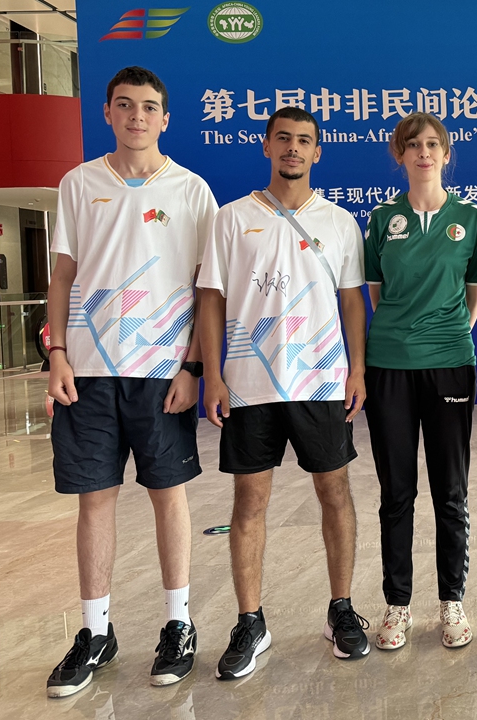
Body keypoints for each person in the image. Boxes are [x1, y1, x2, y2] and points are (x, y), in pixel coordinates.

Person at [45, 66, 216, 697]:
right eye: (125, 105)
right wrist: (57, 352)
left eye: (149, 107)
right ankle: (96, 631)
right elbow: (62, 276)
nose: (137, 116)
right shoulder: (78, 183)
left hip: (161, 371)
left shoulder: (193, 191)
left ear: (166, 118)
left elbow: (206, 292)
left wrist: (194, 365)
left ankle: (178, 624)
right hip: (88, 371)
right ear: (108, 114)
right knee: (96, 500)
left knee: (169, 495)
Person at [197, 106, 370, 679]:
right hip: (249, 383)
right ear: (267, 147)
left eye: (304, 141)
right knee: (249, 504)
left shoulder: (341, 223)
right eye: (284, 140)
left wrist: (358, 368)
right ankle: (251, 621)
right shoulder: (230, 219)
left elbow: (352, 301)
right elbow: (213, 299)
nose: (293, 149)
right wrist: (214, 373)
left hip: (321, 379)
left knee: (334, 495)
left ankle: (341, 609)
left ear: (318, 152)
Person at [363, 112, 477, 650]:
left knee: (450, 490)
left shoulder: (470, 217)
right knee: (397, 491)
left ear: (446, 154)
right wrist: (405, 333)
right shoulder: (378, 219)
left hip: (449, 363)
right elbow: (375, 292)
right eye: (413, 145)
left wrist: (447, 333)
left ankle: (451, 600)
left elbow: (476, 289)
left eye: (433, 144)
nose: (423, 153)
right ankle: (397, 605)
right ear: (400, 154)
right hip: (389, 363)